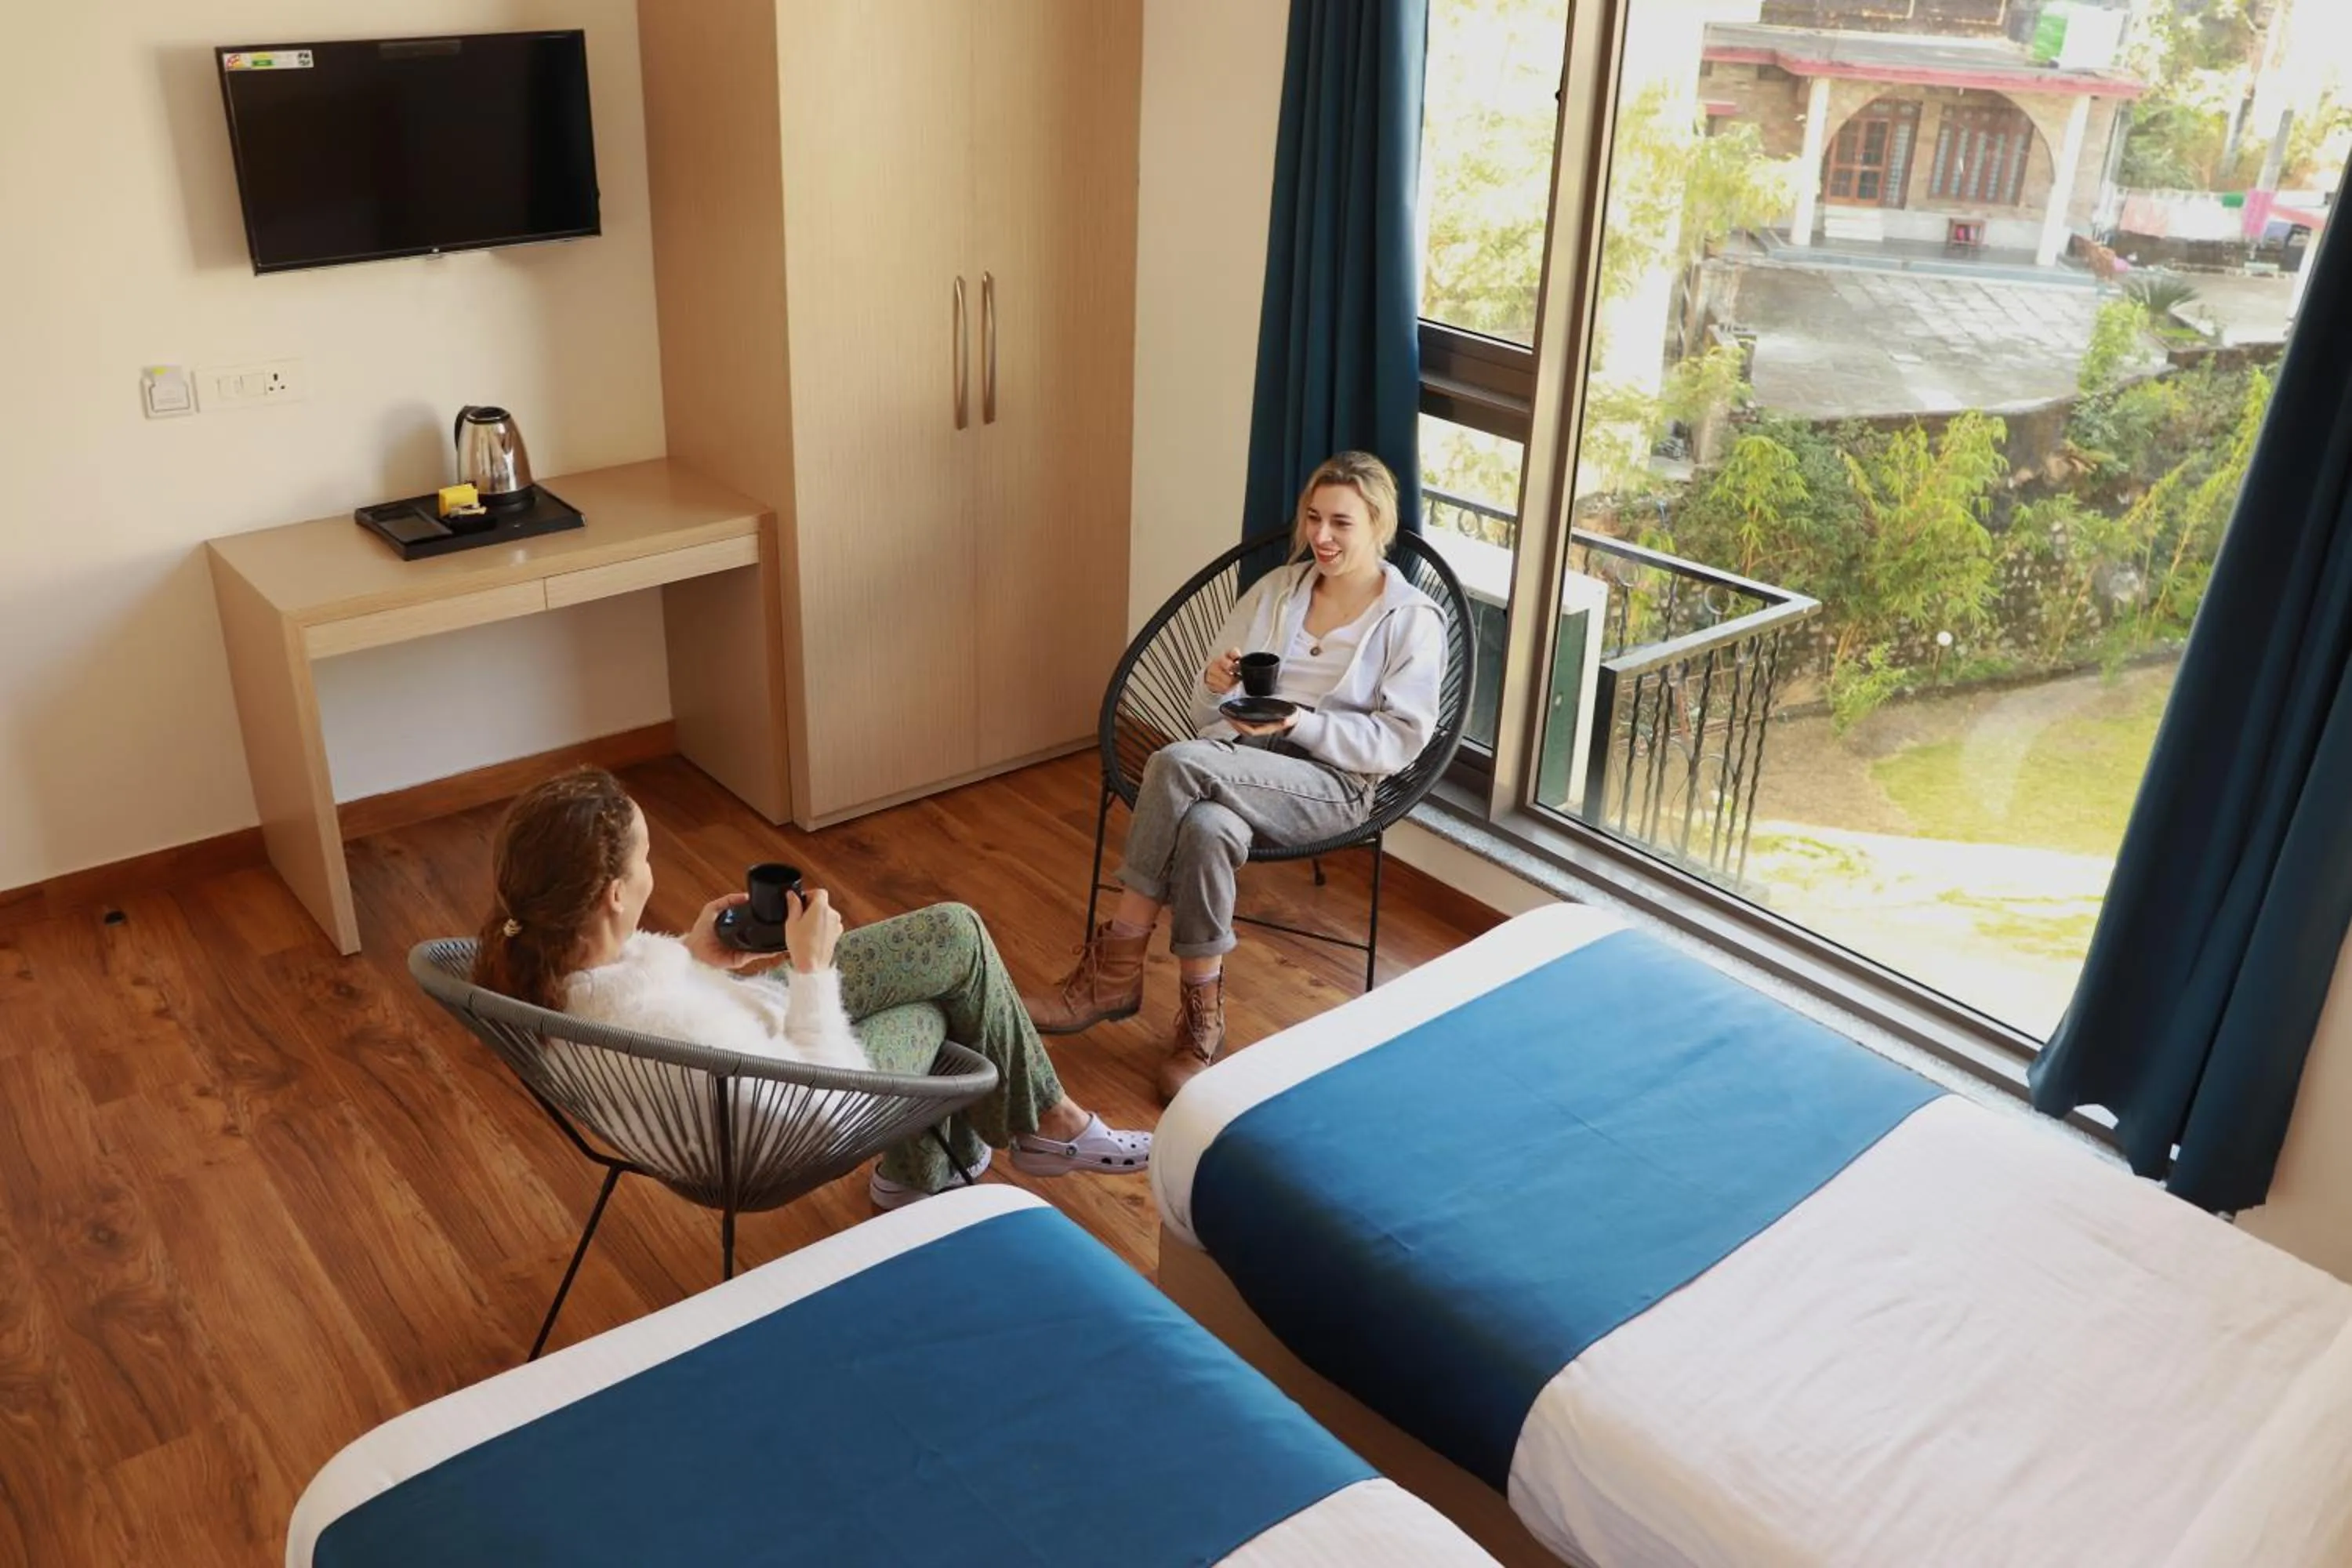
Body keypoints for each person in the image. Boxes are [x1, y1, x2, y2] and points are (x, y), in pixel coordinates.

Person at [473, 768, 1150, 1210]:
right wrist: (810, 969)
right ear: (616, 893)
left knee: (953, 936)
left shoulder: (549, 975)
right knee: (936, 1002)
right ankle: (1028, 1133)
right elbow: (826, 1095)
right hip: (806, 1116)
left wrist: (694, 955)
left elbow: (651, 1009)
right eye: (646, 858)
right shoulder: (662, 1021)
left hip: (754, 1038)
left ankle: (938, 1169)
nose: (654, 869)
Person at [1024, 451, 1447, 1100]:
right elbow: (1207, 714)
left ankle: (1115, 970)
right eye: (1313, 519)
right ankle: (1202, 1024)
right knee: (1206, 826)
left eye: (1342, 523)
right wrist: (1216, 686)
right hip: (1238, 766)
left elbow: (1398, 744)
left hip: (1333, 785)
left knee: (1174, 764)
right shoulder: (1279, 591)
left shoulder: (1411, 620)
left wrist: (1295, 724)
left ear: (1378, 526)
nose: (1322, 538)